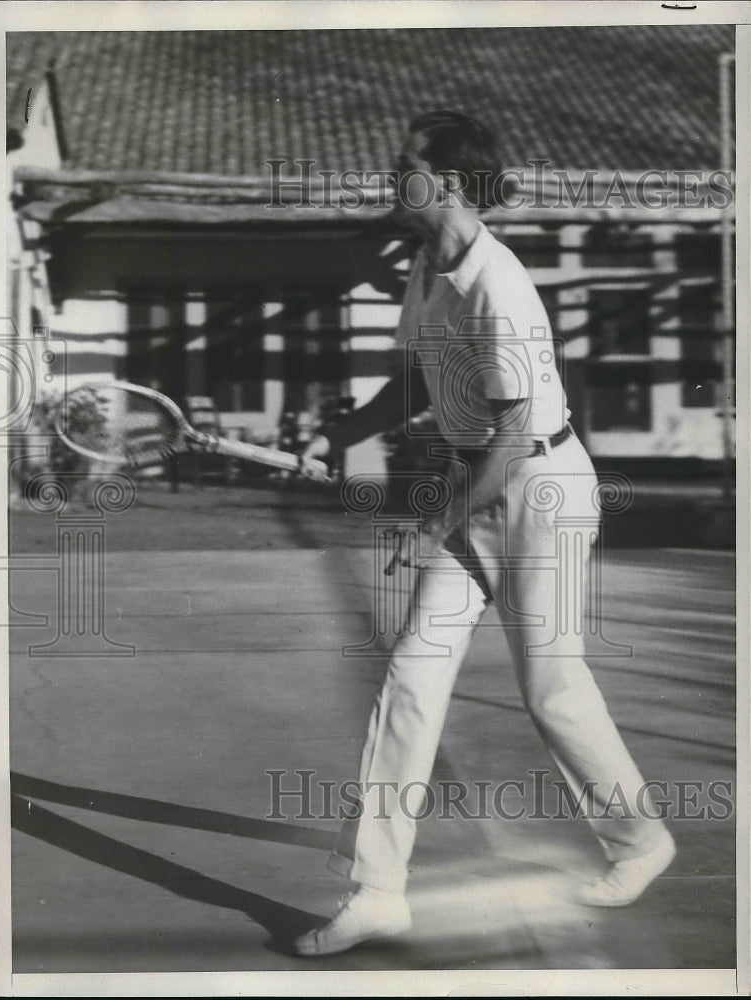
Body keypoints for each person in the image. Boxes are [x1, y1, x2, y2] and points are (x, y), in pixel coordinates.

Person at [292, 110, 675, 957]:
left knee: (552, 691)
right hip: (485, 483)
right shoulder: (426, 271)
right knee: (411, 681)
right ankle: (379, 891)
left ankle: (642, 841)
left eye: (405, 165)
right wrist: (345, 431)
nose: (393, 177)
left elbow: (511, 434)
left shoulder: (499, 284)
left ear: (451, 183)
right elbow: (411, 389)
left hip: (541, 488)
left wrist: (435, 523)